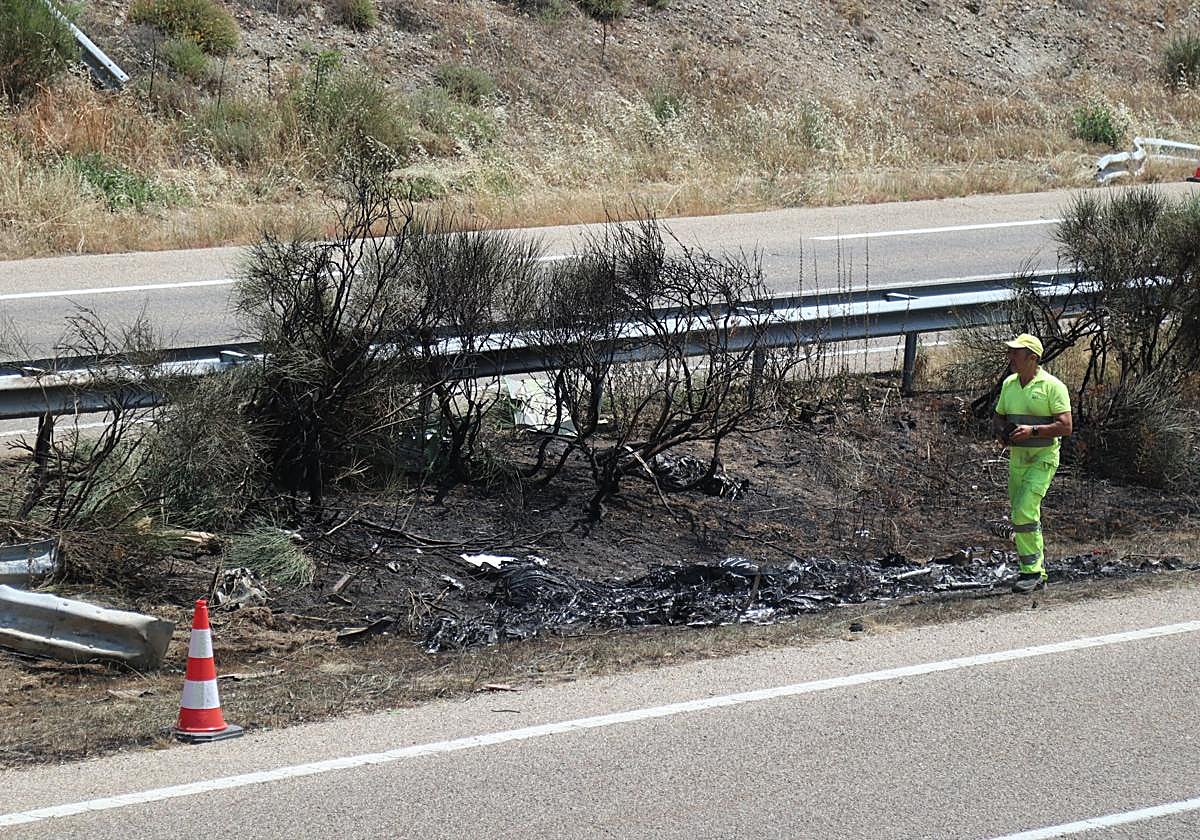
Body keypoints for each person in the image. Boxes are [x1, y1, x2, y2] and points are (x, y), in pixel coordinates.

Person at [992, 333, 1073, 593]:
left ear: (1032, 358)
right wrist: (1003, 434)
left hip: (1043, 458)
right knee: (1021, 514)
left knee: (1025, 509)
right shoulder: (1009, 385)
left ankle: (1032, 572)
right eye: (1011, 352)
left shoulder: (1053, 386)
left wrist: (1033, 431)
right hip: (1018, 459)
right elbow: (998, 417)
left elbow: (1066, 426)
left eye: (1016, 353)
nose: (1011, 357)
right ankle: (1034, 570)